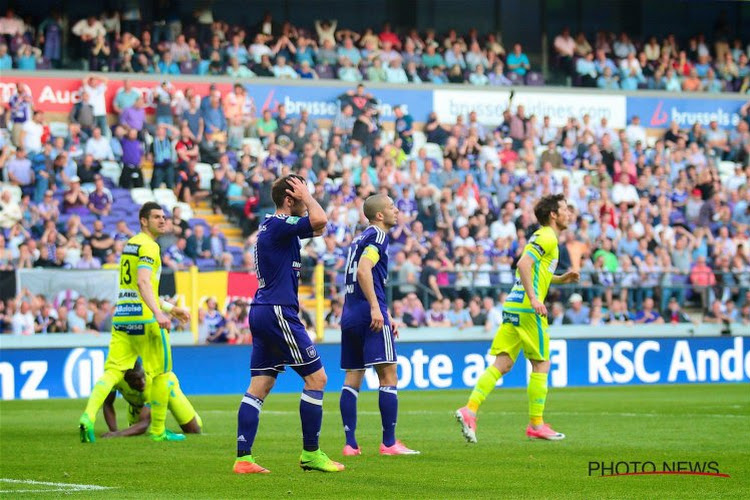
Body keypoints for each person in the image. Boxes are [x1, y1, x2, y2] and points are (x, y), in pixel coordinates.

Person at [233, 175, 341, 474]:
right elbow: (319, 218)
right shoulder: (280, 224)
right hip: (278, 310)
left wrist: (307, 201)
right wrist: (308, 196)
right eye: (302, 192)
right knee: (317, 379)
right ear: (290, 198)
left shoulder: (276, 228)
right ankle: (311, 453)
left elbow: (319, 227)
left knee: (260, 384)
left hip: (264, 309)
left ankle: (243, 459)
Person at [456, 194, 579, 443]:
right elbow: (523, 265)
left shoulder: (541, 236)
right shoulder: (548, 236)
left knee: (503, 363)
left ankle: (469, 410)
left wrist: (560, 278)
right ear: (553, 214)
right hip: (527, 308)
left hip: (513, 304)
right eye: (565, 209)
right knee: (541, 363)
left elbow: (535, 270)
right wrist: (535, 299)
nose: (569, 213)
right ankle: (536, 424)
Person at [78, 202, 190, 443]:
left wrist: (170, 308)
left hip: (123, 317)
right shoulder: (150, 246)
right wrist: (159, 314)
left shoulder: (131, 244)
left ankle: (87, 416)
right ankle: (158, 431)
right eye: (156, 217)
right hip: (145, 318)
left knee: (112, 371)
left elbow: (136, 287)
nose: (162, 220)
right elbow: (143, 283)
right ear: (143, 220)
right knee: (162, 373)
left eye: (164, 217)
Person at [339, 194, 419, 457]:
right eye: (392, 207)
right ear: (380, 215)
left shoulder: (359, 238)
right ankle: (389, 443)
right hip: (368, 313)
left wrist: (383, 309)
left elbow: (362, 273)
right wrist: (376, 308)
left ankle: (350, 444)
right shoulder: (379, 237)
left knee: (353, 378)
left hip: (350, 312)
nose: (397, 210)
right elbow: (364, 270)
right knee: (388, 375)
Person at [101, 360, 202, 438]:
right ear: (127, 380)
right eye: (137, 379)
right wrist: (113, 430)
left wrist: (117, 434)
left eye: (143, 377)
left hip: (167, 387)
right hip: (138, 404)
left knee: (193, 430)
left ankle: (192, 416)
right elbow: (108, 404)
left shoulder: (151, 384)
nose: (142, 382)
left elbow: (144, 424)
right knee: (133, 434)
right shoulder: (116, 380)